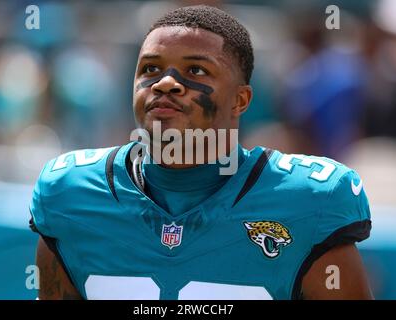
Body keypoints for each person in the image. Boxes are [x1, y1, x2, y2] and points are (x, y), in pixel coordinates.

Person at [30, 5, 373, 300]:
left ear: (240, 100)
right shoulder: (71, 193)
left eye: (195, 70)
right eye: (150, 69)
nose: (165, 83)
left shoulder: (309, 200)